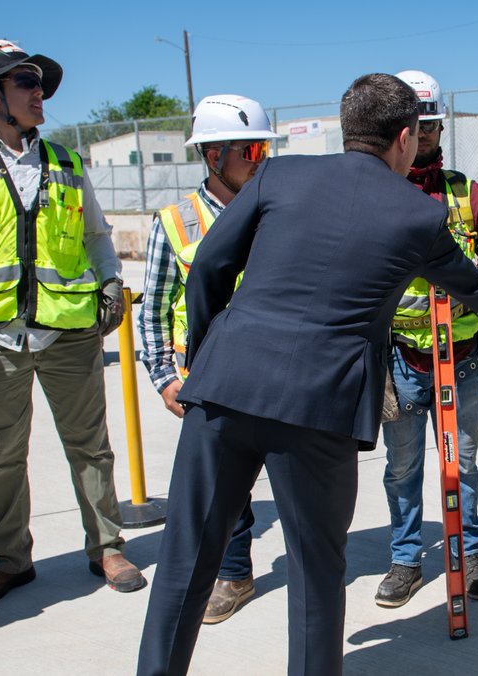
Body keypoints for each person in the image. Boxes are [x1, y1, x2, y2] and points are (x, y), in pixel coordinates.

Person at [137, 73, 478, 676]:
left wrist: (206, 362)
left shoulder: (280, 174)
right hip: (318, 409)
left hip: (223, 392)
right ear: (405, 137)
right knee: (316, 575)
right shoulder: (416, 214)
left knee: (182, 563)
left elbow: (209, 270)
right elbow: (472, 283)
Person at [0, 39, 144, 609]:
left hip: (68, 331)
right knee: (2, 456)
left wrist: (110, 284)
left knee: (90, 445)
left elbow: (96, 237)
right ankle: (11, 560)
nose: (42, 94)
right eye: (27, 83)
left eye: (40, 83)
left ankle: (106, 546)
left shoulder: (65, 160)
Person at [374, 70, 478, 607]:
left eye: (432, 124)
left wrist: (468, 276)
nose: (424, 133)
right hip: (401, 359)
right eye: (417, 124)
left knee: (464, 463)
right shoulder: (380, 190)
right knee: (403, 467)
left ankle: (468, 552)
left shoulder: (466, 192)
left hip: (457, 359)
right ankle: (407, 560)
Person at [138, 94, 280, 623]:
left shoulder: (277, 209)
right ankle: (234, 573)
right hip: (209, 380)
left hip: (277, 373)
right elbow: (153, 308)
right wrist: (163, 379)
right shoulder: (176, 222)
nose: (260, 157)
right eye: (249, 148)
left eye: (264, 146)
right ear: (213, 155)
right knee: (227, 491)